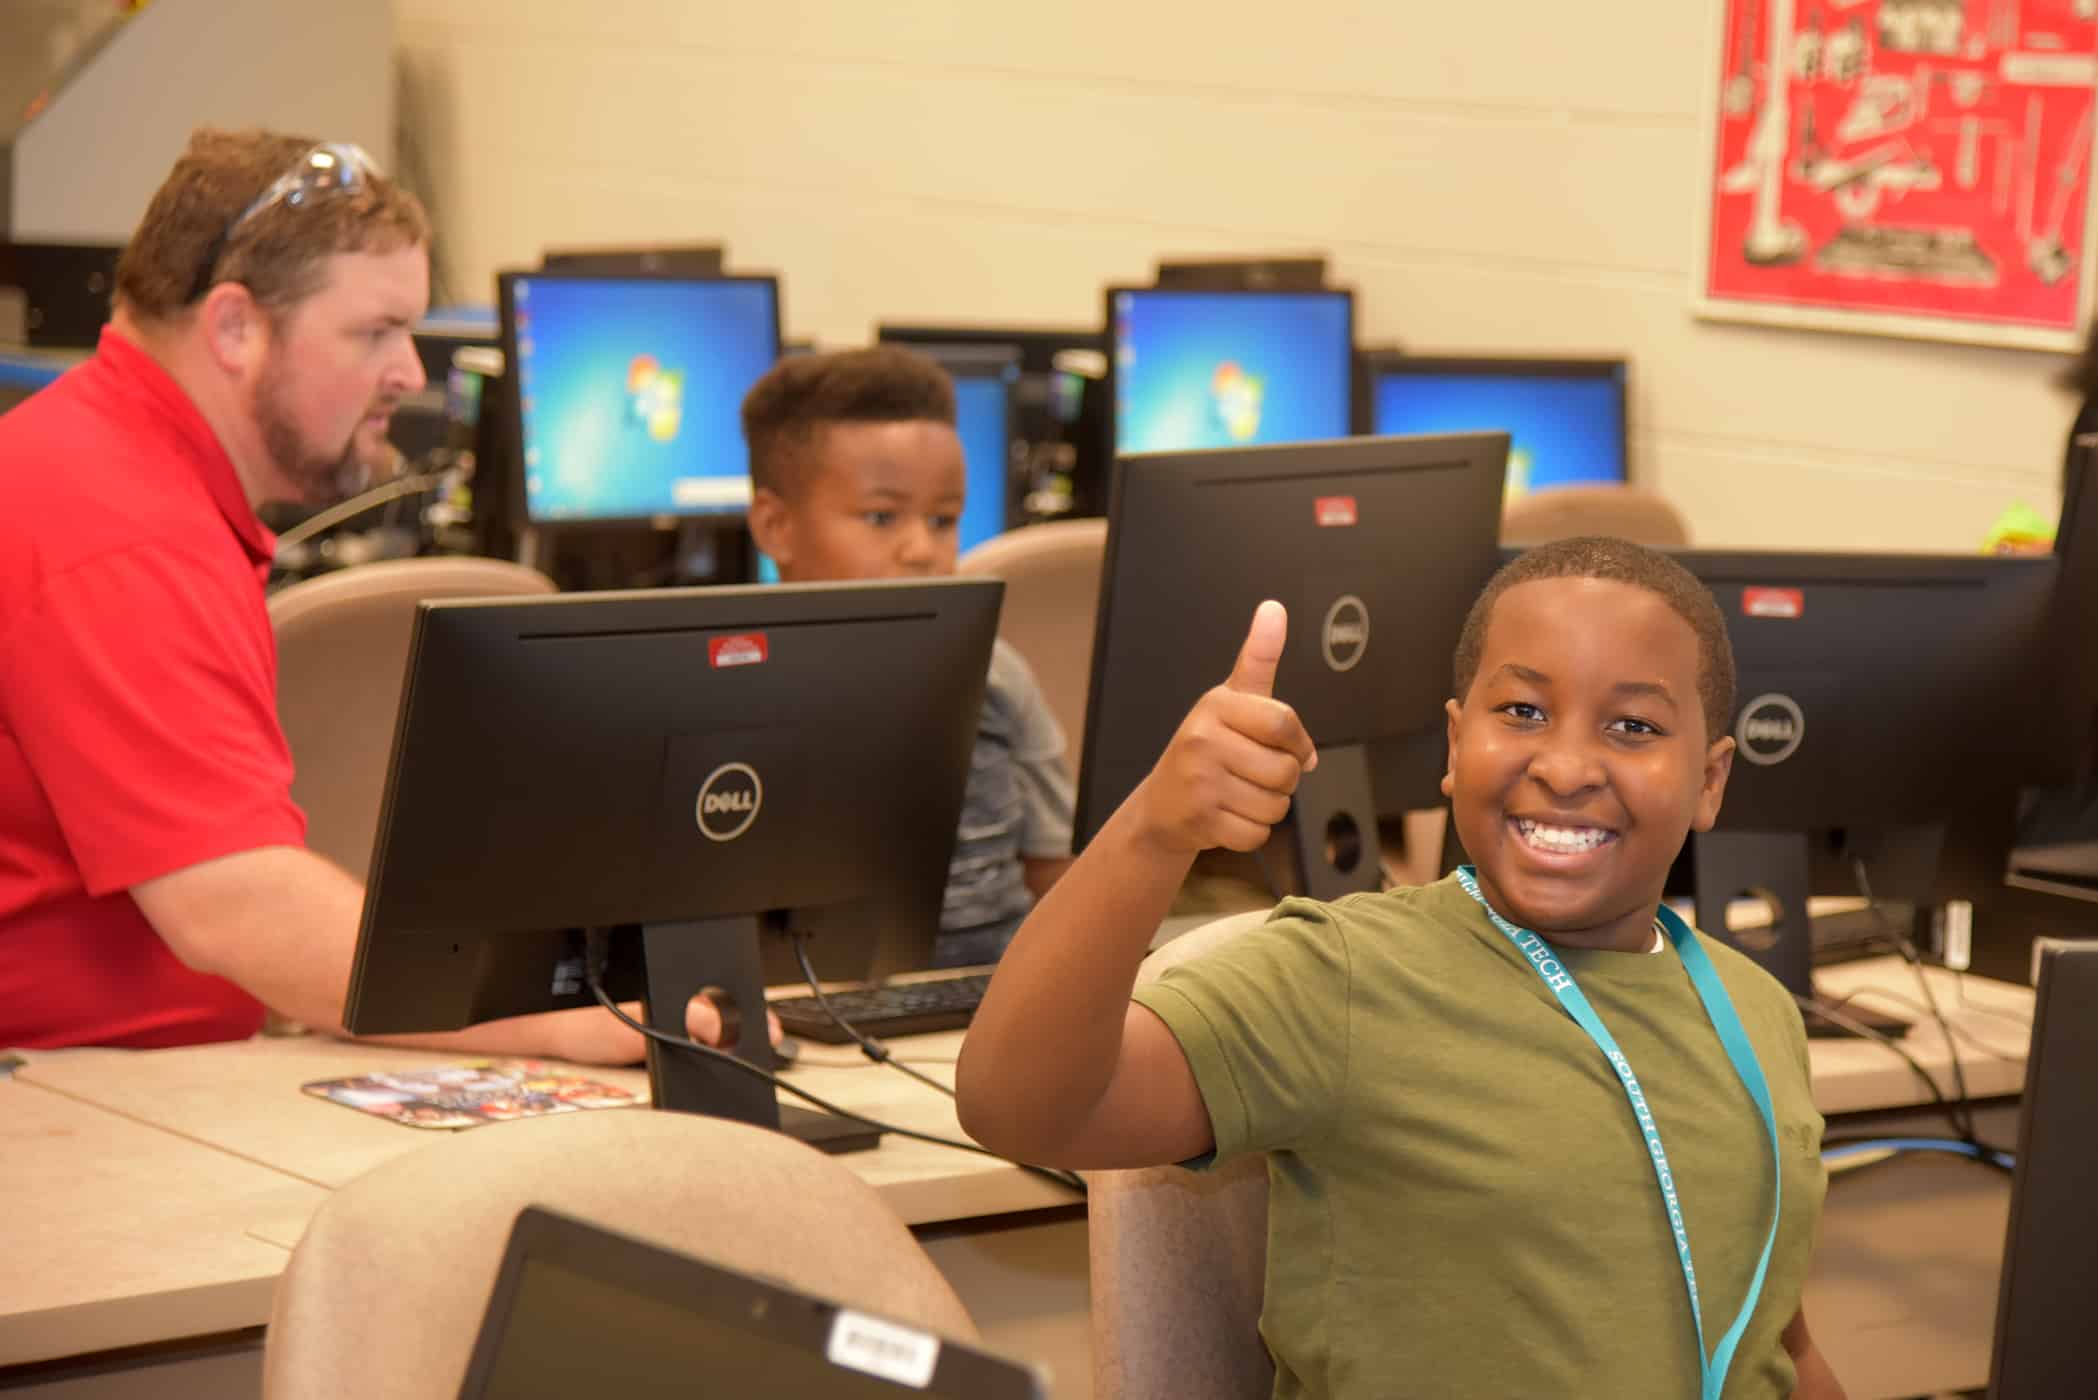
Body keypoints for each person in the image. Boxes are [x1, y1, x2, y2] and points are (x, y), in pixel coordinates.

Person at [957, 537, 1845, 1399]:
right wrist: (1157, 831)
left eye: (1634, 727)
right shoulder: (1346, 976)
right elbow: (1019, 1107)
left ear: (1710, 780)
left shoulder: (1755, 1009)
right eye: (1523, 712)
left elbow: (1773, 1340)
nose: (1568, 767)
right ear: (1455, 747)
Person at [0, 128, 738, 1059]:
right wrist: (562, 1019)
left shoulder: (111, 467)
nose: (410, 374)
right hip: (66, 1101)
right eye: (376, 332)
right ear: (234, 328)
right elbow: (232, 903)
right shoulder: (121, 531)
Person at [742, 346, 1074, 967]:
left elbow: (1057, 876)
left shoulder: (996, 673)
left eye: (944, 519)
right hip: (815, 1020)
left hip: (992, 1000)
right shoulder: (728, 693)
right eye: (880, 517)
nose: (922, 549)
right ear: (775, 526)